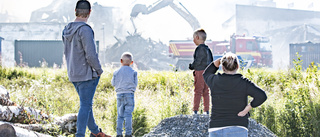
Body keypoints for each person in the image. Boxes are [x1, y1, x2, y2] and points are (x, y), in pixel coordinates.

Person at [62, 0, 110, 137]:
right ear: (89, 13)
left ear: (75, 11)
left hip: (73, 73)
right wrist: (99, 70)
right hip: (86, 75)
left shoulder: (66, 29)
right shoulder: (85, 30)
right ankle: (80, 134)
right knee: (85, 105)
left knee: (86, 104)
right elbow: (91, 55)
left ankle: (95, 132)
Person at [203, 52, 267, 137]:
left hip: (216, 128)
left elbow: (206, 73)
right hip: (238, 127)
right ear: (237, 66)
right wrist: (247, 109)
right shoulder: (244, 83)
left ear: (222, 67)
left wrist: (219, 60)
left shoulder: (214, 81)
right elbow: (262, 96)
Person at [111, 52, 138, 137]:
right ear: (132, 62)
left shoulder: (116, 72)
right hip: (129, 95)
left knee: (120, 116)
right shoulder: (134, 72)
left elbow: (113, 83)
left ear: (121, 61)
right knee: (128, 115)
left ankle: (119, 134)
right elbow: (135, 83)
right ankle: (128, 134)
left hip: (119, 95)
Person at [188, 29, 213, 114]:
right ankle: (207, 111)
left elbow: (198, 61)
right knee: (206, 91)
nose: (193, 40)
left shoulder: (199, 49)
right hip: (208, 73)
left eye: (194, 38)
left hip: (200, 72)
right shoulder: (208, 49)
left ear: (197, 37)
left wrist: (192, 66)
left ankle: (195, 110)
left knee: (198, 91)